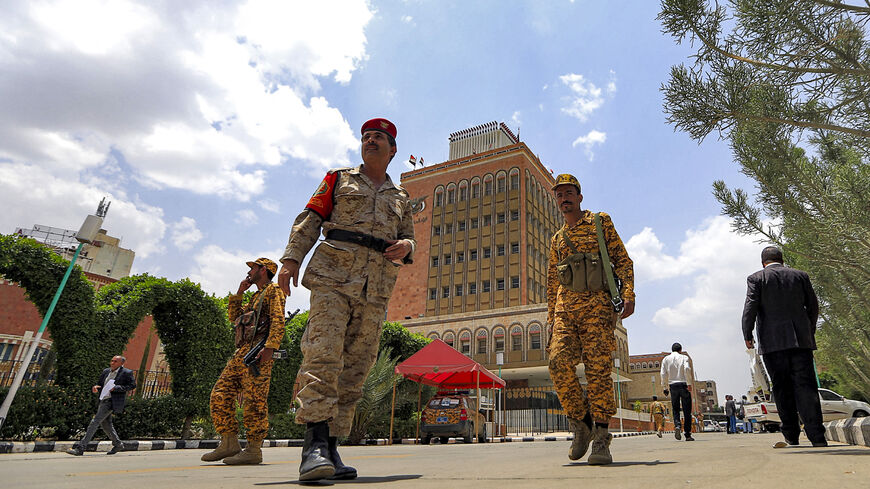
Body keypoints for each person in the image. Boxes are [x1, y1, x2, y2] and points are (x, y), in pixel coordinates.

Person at [279, 118, 415, 481]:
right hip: (333, 277)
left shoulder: (400, 197)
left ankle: (332, 448)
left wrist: (407, 246)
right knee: (323, 355)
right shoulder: (338, 178)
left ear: (393, 150)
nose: (371, 141)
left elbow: (408, 238)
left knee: (357, 367)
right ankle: (314, 448)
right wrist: (291, 258)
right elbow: (311, 218)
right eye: (366, 137)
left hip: (376, 288)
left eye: (379, 138)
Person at [546, 173, 635, 466]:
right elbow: (551, 283)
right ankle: (581, 422)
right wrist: (551, 320)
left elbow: (623, 259)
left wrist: (630, 293)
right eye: (559, 195)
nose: (564, 198)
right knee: (558, 361)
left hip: (597, 307)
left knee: (598, 371)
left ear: (579, 196)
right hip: (565, 309)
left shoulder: (600, 222)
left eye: (569, 193)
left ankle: (601, 438)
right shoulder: (557, 239)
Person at [201, 257, 286, 465]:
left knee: (254, 401)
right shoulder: (255, 296)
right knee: (220, 393)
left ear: (263, 270)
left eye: (253, 268)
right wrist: (239, 293)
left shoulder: (274, 290)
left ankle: (253, 449)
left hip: (259, 353)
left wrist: (270, 347)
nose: (250, 271)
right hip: (242, 352)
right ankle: (229, 443)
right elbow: (234, 318)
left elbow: (278, 319)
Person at [741, 246, 827, 448]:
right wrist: (809, 329)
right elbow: (813, 306)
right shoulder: (800, 276)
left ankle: (791, 434)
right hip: (801, 341)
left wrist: (748, 334)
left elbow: (750, 307)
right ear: (781, 259)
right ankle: (817, 436)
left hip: (772, 343)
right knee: (806, 387)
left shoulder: (756, 279)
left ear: (763, 262)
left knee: (781, 388)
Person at [66, 355, 136, 456]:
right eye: (112, 361)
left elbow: (132, 385)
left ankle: (80, 448)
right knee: (106, 424)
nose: (112, 363)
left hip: (111, 401)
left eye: (115, 361)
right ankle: (118, 444)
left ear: (121, 363)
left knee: (94, 422)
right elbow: (100, 384)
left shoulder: (126, 373)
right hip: (103, 399)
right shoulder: (106, 371)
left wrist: (117, 388)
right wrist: (96, 387)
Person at [661, 343, 694, 441]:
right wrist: (689, 383)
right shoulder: (684, 357)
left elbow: (663, 374)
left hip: (673, 386)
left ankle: (677, 426)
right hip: (683, 384)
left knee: (675, 408)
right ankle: (687, 434)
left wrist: (664, 387)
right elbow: (687, 369)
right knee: (687, 410)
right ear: (680, 350)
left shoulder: (666, 359)